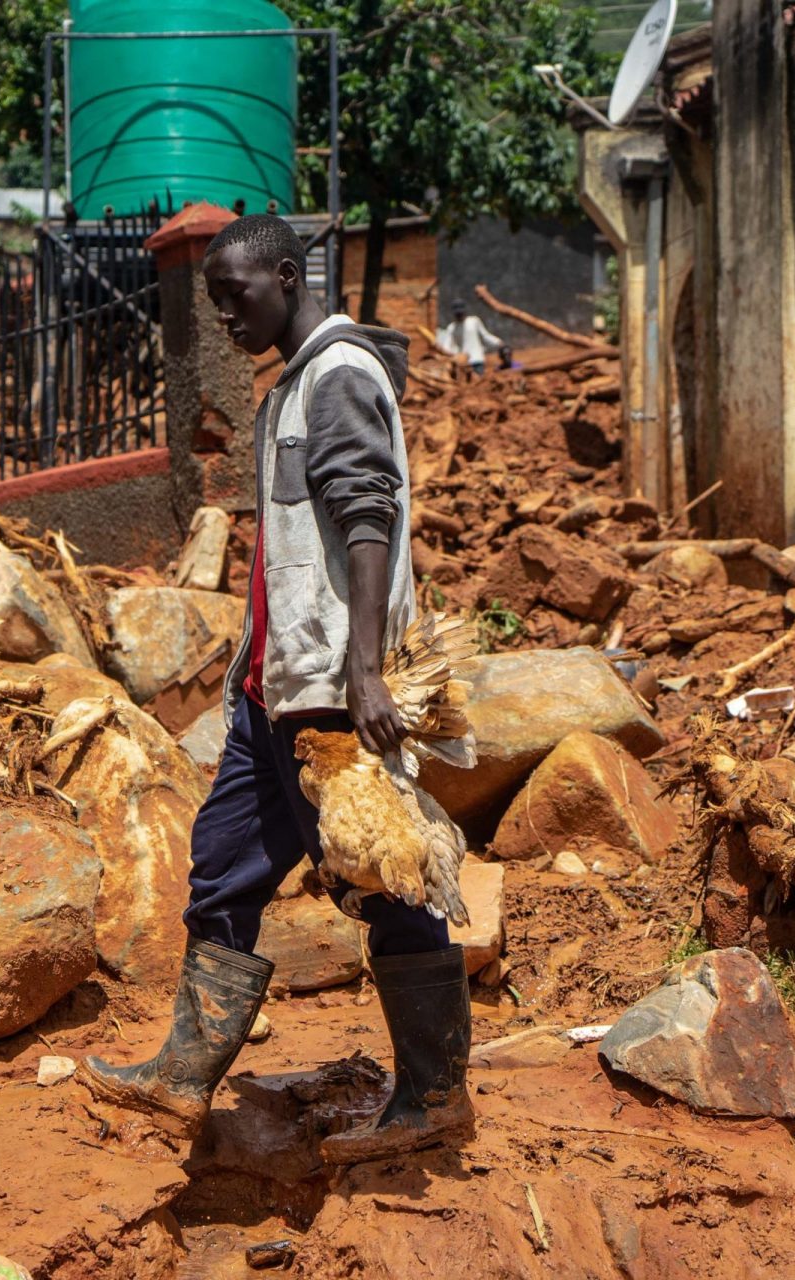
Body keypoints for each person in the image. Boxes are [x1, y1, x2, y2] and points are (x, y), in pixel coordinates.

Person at [76, 214, 474, 1164]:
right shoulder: (291, 388)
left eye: (235, 295)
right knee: (219, 862)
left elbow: (367, 516)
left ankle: (434, 1097)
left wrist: (368, 671)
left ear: (289, 278)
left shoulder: (336, 378)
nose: (223, 316)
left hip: (334, 694)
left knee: (381, 880)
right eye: (211, 299)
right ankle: (182, 1076)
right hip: (273, 697)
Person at [434, 299, 503, 379]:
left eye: (460, 313)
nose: (459, 315)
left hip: (477, 360)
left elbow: (485, 336)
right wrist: (440, 350)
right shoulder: (452, 328)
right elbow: (447, 346)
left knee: (478, 383)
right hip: (463, 363)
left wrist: (498, 342)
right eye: (457, 313)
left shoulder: (474, 321)